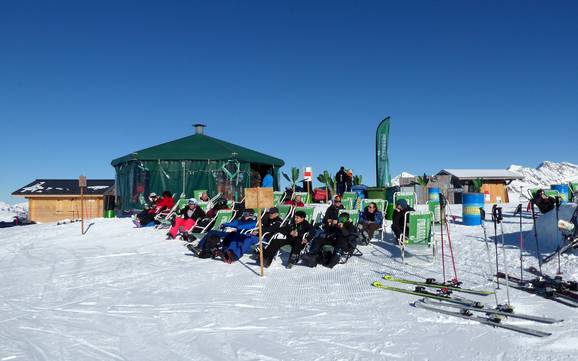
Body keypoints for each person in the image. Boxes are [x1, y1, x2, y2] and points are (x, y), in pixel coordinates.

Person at [189, 210, 257, 260]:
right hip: (233, 234)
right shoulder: (240, 220)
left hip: (242, 237)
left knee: (230, 239)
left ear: (251, 215)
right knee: (212, 232)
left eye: (246, 214)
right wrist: (224, 224)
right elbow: (232, 224)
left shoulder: (253, 222)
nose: (244, 215)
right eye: (244, 213)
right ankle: (199, 247)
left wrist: (237, 227)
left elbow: (249, 227)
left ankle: (221, 251)